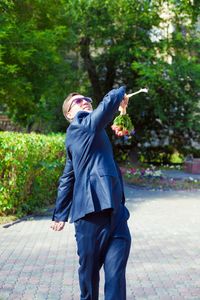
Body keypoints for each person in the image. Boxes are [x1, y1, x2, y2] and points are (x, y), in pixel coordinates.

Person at [50, 86, 131, 300]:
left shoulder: (94, 131)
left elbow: (68, 177)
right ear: (69, 114)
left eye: (86, 98)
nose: (84, 101)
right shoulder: (80, 126)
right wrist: (121, 91)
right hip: (89, 214)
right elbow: (107, 104)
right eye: (77, 101)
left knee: (115, 277)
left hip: (116, 212)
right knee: (89, 274)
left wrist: (59, 213)